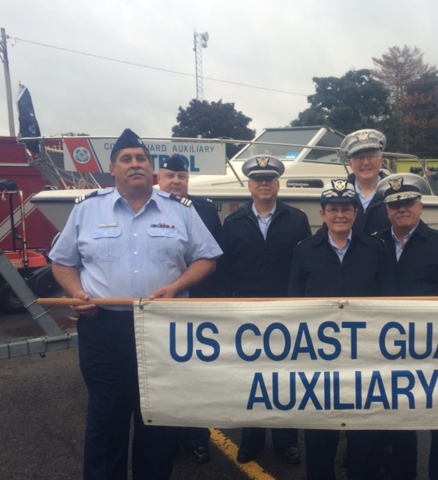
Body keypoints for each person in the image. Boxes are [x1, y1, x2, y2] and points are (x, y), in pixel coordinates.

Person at [49, 128, 222, 480]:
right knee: (105, 420)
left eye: (141, 158)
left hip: (161, 328)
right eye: (126, 159)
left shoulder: (182, 211)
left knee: (157, 422)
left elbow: (207, 258)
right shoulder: (87, 210)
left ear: (152, 171)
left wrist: (176, 287)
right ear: (112, 169)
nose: (135, 164)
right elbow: (62, 261)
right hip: (103, 330)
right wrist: (76, 292)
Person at [289, 179, 394, 480]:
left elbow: (390, 301)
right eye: (333, 209)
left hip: (366, 357)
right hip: (319, 360)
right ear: (322, 214)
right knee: (320, 437)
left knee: (365, 438)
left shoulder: (376, 249)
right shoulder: (304, 250)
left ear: (356, 213)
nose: (340, 215)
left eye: (346, 209)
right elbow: (293, 303)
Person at [216, 154, 311, 466]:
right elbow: (225, 270)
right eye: (258, 179)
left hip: (287, 312)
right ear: (250, 185)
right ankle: (251, 441)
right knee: (251, 379)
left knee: (286, 378)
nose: (264, 183)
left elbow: (305, 267)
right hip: (247, 315)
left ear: (277, 184)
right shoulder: (233, 223)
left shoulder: (297, 220)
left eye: (269, 178)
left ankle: (287, 441)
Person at [374, 173, 438, 480]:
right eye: (395, 204)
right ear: (387, 210)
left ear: (420, 207)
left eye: (408, 202)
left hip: (434, 346)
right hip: (390, 348)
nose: (402, 209)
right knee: (400, 420)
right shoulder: (374, 244)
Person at [157, 154, 223, 464]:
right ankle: (167, 437)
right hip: (161, 308)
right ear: (159, 178)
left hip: (198, 306)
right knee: (165, 375)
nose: (176, 182)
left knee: (198, 376)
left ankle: (198, 437)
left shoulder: (206, 209)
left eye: (181, 176)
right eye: (169, 175)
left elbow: (216, 259)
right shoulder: (149, 207)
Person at [341, 128, 390, 233]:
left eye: (371, 157)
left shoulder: (393, 192)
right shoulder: (340, 194)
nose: (366, 163)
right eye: (359, 158)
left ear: (380, 161)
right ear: (351, 164)